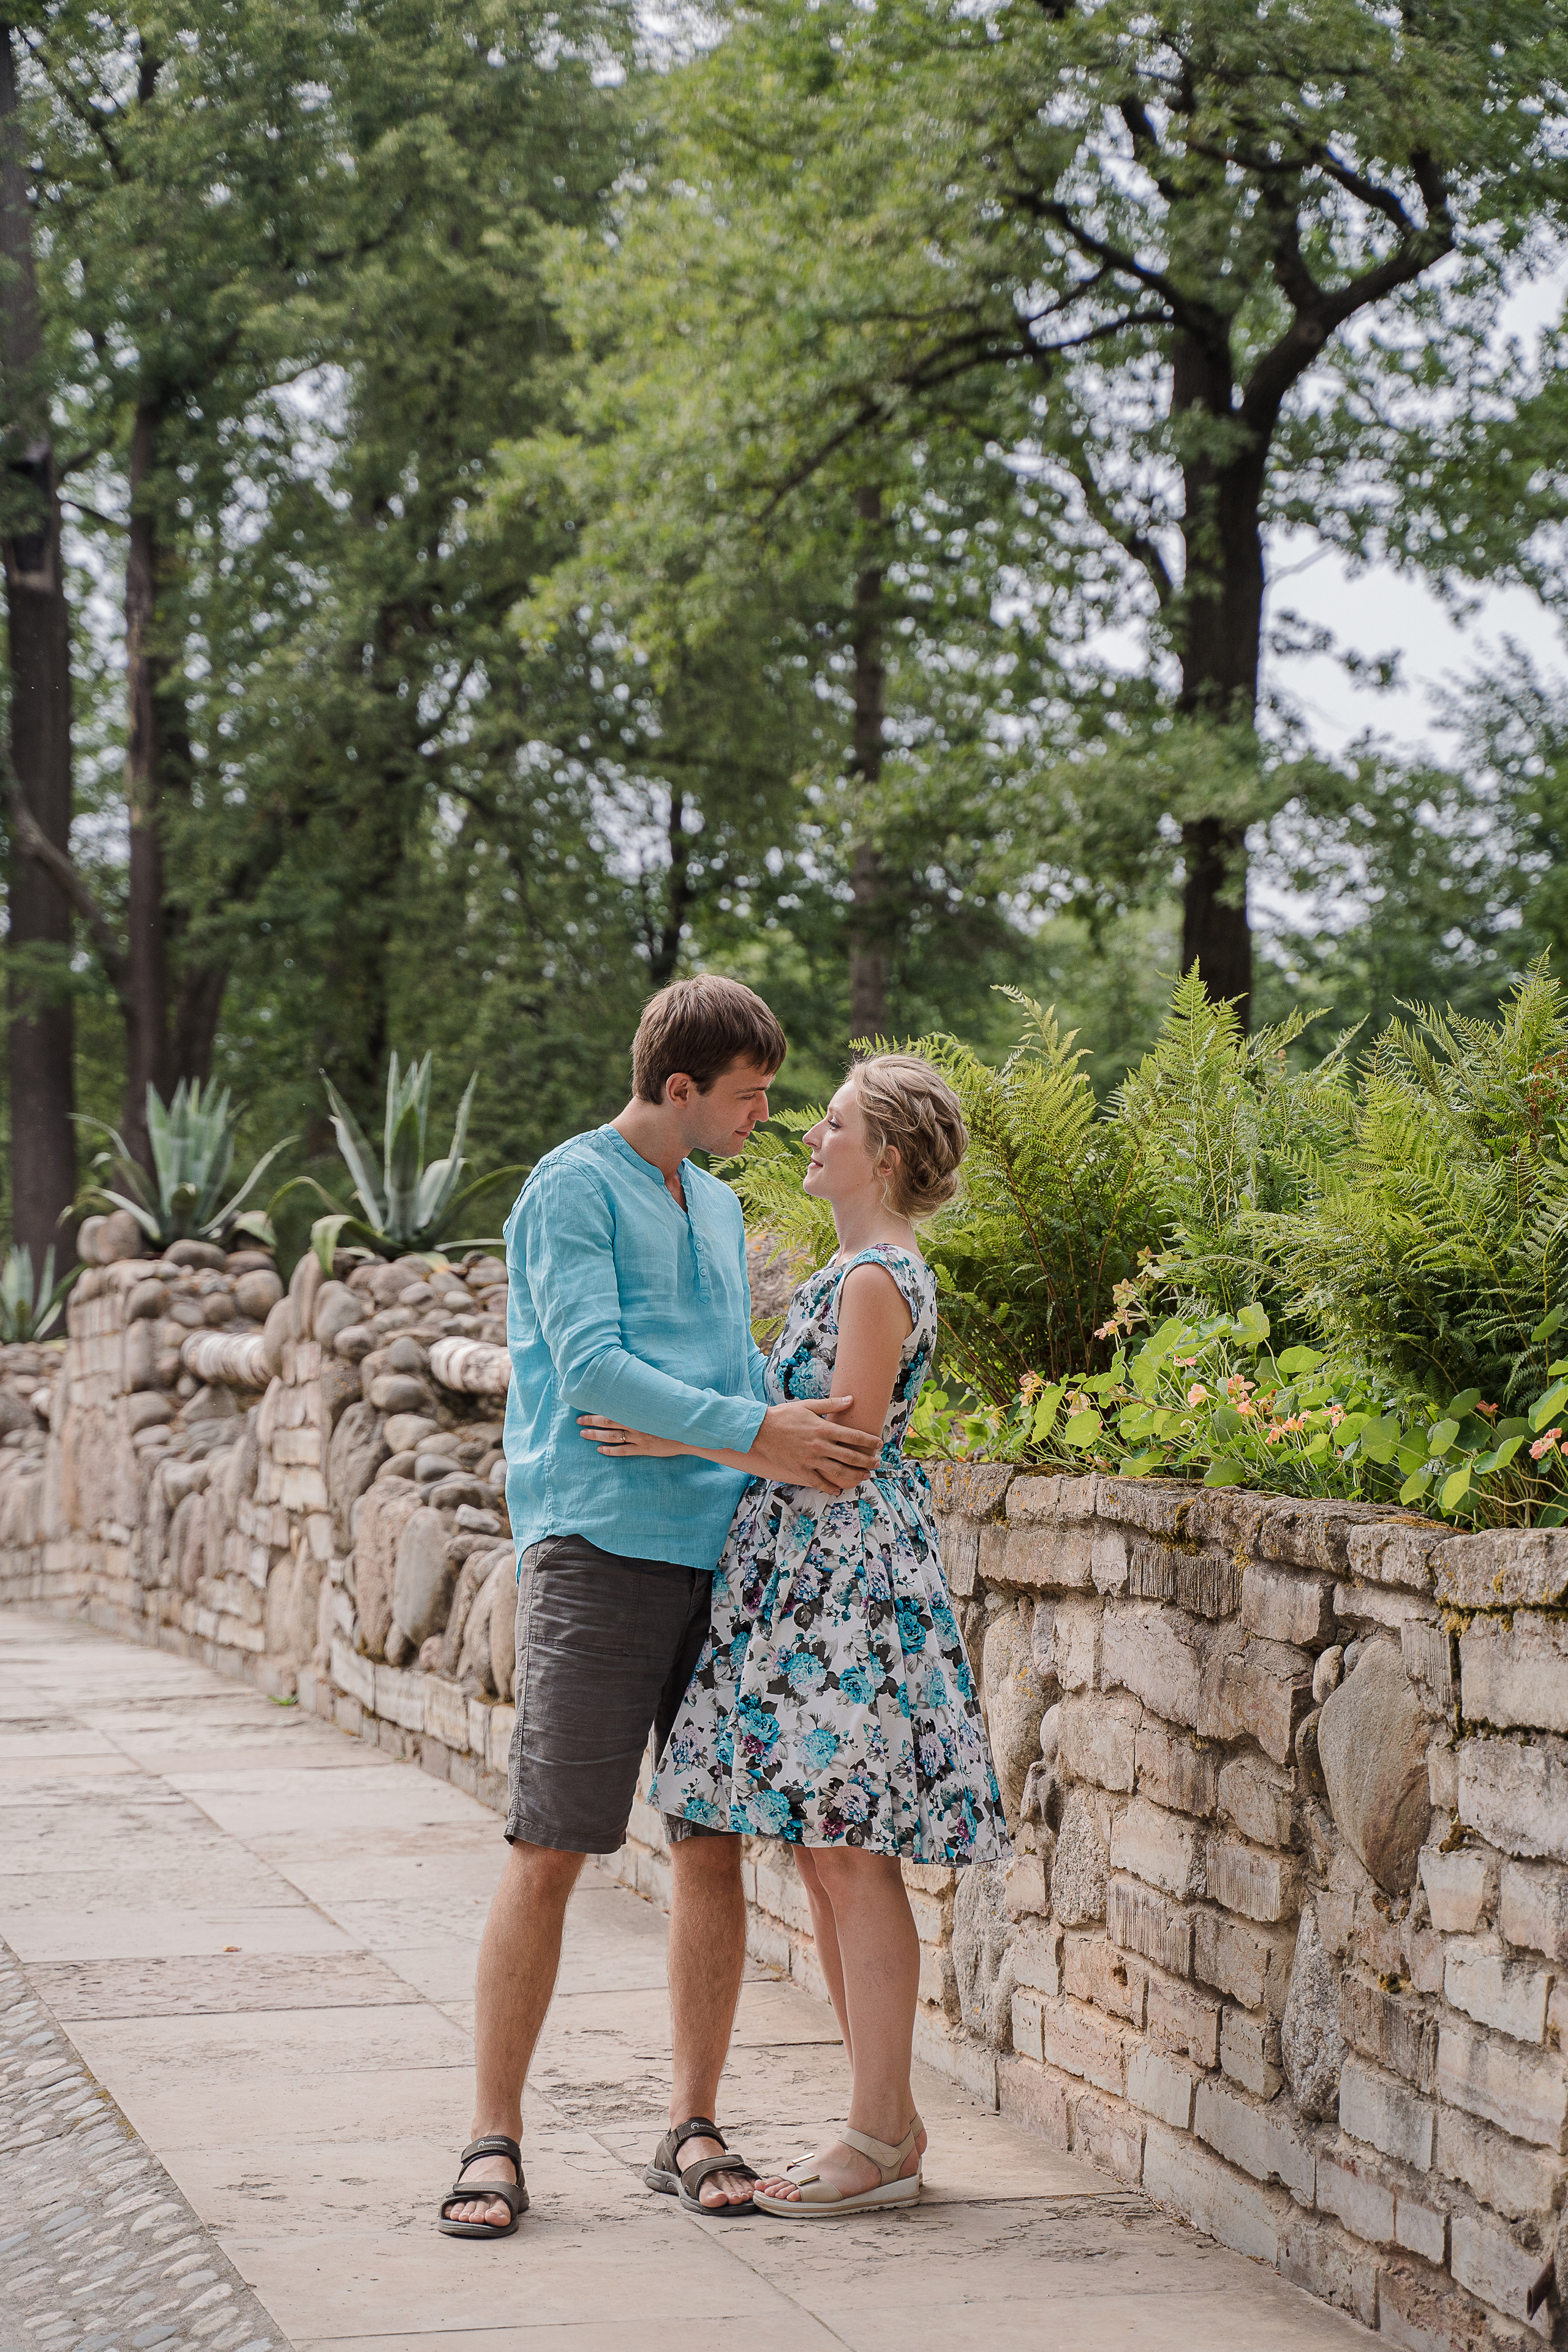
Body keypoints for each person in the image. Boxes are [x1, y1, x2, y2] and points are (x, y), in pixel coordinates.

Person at [437, 977, 883, 2240]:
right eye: (744, 1096)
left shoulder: (721, 1202)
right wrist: (751, 1433)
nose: (763, 1117)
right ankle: (492, 2139)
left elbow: (713, 1374)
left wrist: (723, 1434)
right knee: (552, 1845)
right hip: (596, 1550)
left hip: (718, 1553)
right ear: (677, 1087)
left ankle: (689, 2120)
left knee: (708, 1843)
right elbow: (590, 1375)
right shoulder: (569, 1188)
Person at [579, 1052, 1011, 2217]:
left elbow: (841, 1446)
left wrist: (674, 1438)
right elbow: (793, 1432)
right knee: (825, 1855)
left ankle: (878, 2136)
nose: (809, 1137)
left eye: (834, 1123)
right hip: (809, 1578)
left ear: (891, 1155)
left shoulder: (875, 1278)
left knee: (851, 1857)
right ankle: (887, 2123)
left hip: (844, 1585)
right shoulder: (852, 1269)